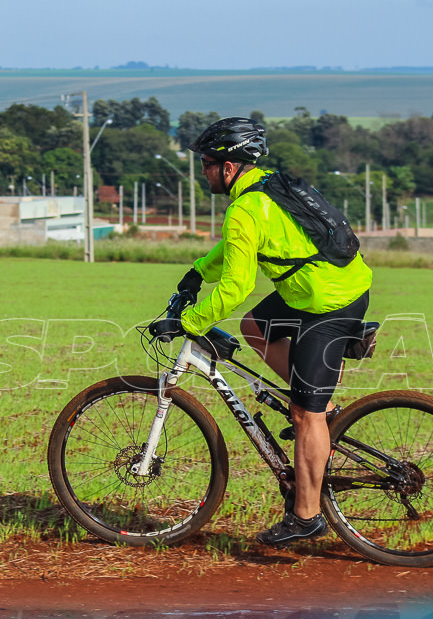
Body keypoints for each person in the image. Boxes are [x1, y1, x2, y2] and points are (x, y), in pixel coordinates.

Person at [153, 117, 373, 546]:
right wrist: (197, 272)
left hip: (327, 304)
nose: (204, 172)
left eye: (207, 164)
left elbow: (237, 287)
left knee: (304, 416)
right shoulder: (268, 184)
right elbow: (241, 248)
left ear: (229, 167)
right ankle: (319, 405)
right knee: (255, 326)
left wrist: (187, 321)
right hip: (329, 285)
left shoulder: (243, 208)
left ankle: (306, 515)